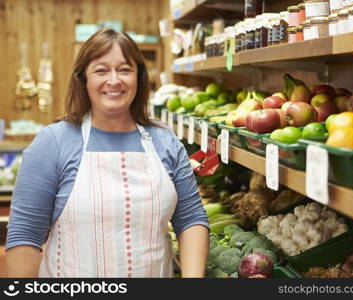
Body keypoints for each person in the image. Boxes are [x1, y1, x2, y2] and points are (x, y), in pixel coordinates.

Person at [5, 28, 209, 278]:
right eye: (101, 70)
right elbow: (25, 235)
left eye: (124, 70)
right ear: (83, 79)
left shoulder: (165, 141)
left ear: (139, 77)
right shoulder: (54, 142)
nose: (114, 80)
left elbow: (190, 220)